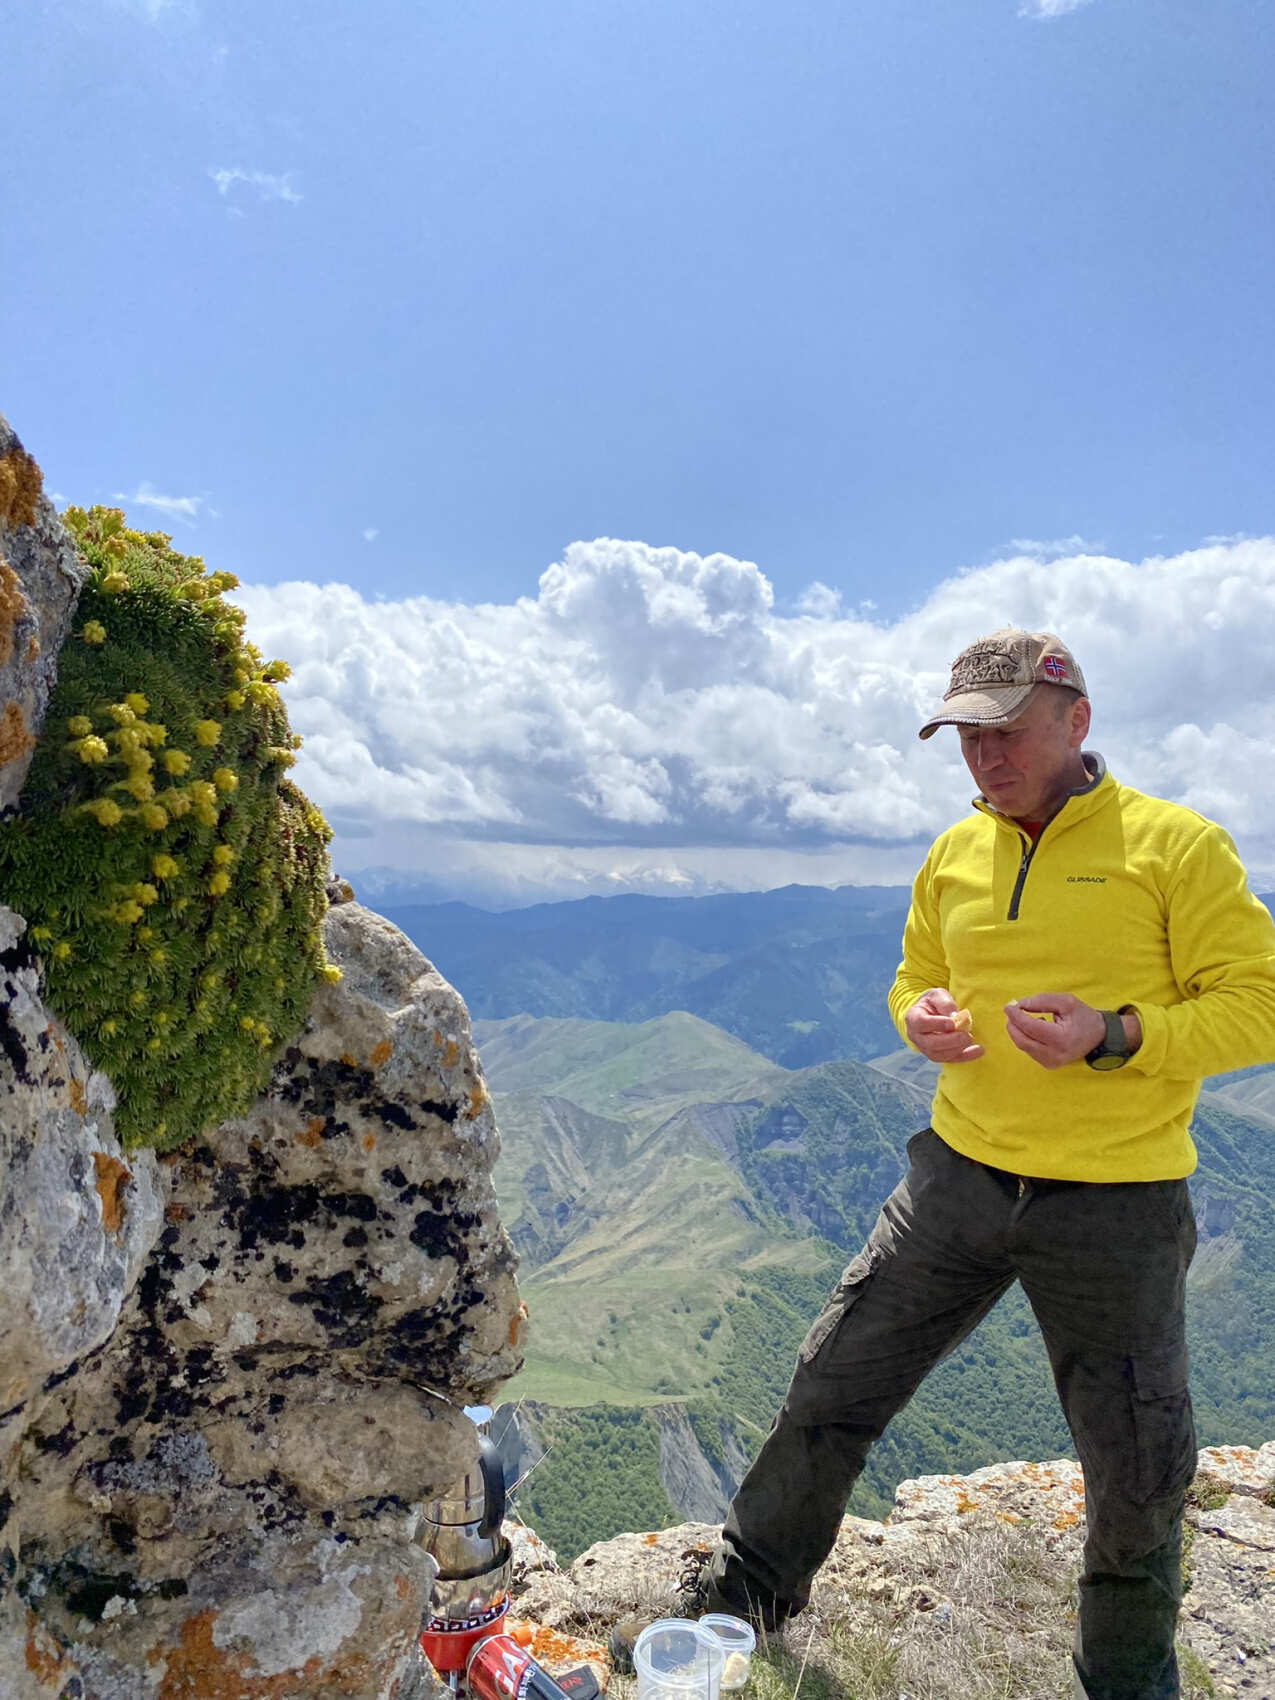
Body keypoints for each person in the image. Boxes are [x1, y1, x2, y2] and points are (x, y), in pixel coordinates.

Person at [701, 627, 1275, 1700]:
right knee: (831, 1382)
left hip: (1116, 1198)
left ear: (1077, 719)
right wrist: (913, 1016)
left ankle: (1127, 1677)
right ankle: (740, 1604)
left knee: (1139, 1465)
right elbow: (916, 973)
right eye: (968, 735)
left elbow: (1259, 1002)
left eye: (1009, 730)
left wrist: (1113, 1033)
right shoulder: (956, 853)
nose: (986, 756)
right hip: (956, 1177)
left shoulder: (1176, 846)